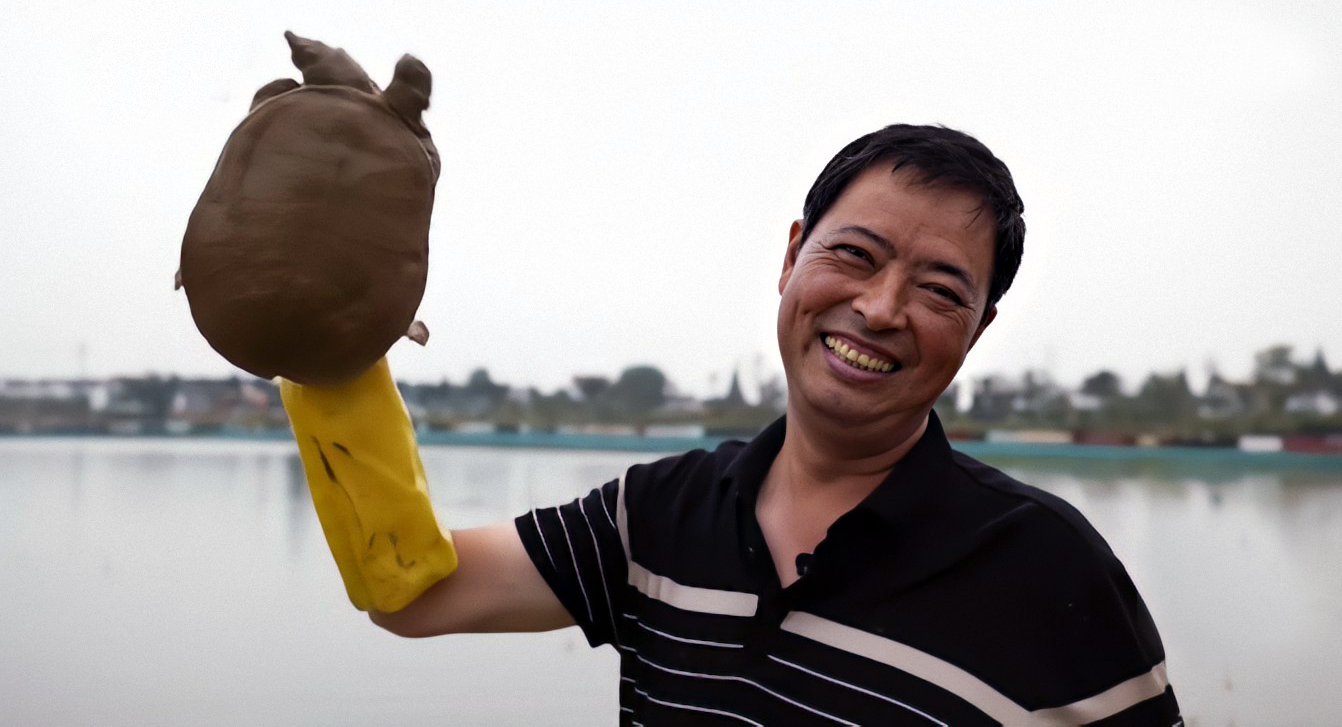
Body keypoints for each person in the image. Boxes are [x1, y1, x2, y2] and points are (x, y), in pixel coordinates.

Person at [283, 124, 1182, 725]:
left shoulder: (1051, 573)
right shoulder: (659, 516)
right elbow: (411, 590)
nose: (878, 308)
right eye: (853, 255)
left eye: (940, 290)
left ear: (978, 329)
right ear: (793, 256)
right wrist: (331, 346)